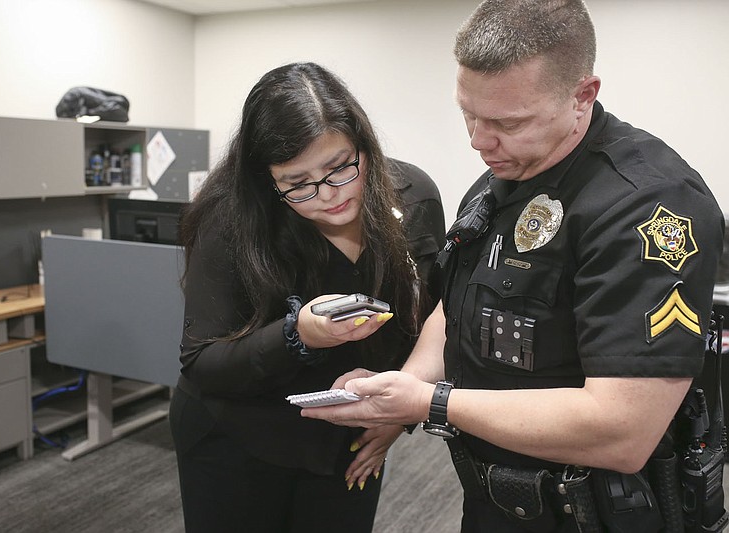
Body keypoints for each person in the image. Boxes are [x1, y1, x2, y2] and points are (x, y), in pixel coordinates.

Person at [302, 1, 725, 531]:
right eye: (469, 114)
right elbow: (456, 310)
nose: (479, 140)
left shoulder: (646, 206)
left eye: (507, 122)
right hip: (494, 498)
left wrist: (431, 403)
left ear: (582, 96)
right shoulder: (501, 179)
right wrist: (401, 391)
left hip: (597, 512)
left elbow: (623, 431)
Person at [169, 61, 445, 533]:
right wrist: (298, 335)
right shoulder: (231, 218)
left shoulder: (412, 196)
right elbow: (202, 362)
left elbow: (432, 319)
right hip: (239, 437)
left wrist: (400, 414)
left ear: (363, 145)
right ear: (266, 178)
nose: (328, 195)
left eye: (340, 168)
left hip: (349, 436)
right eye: (298, 183)